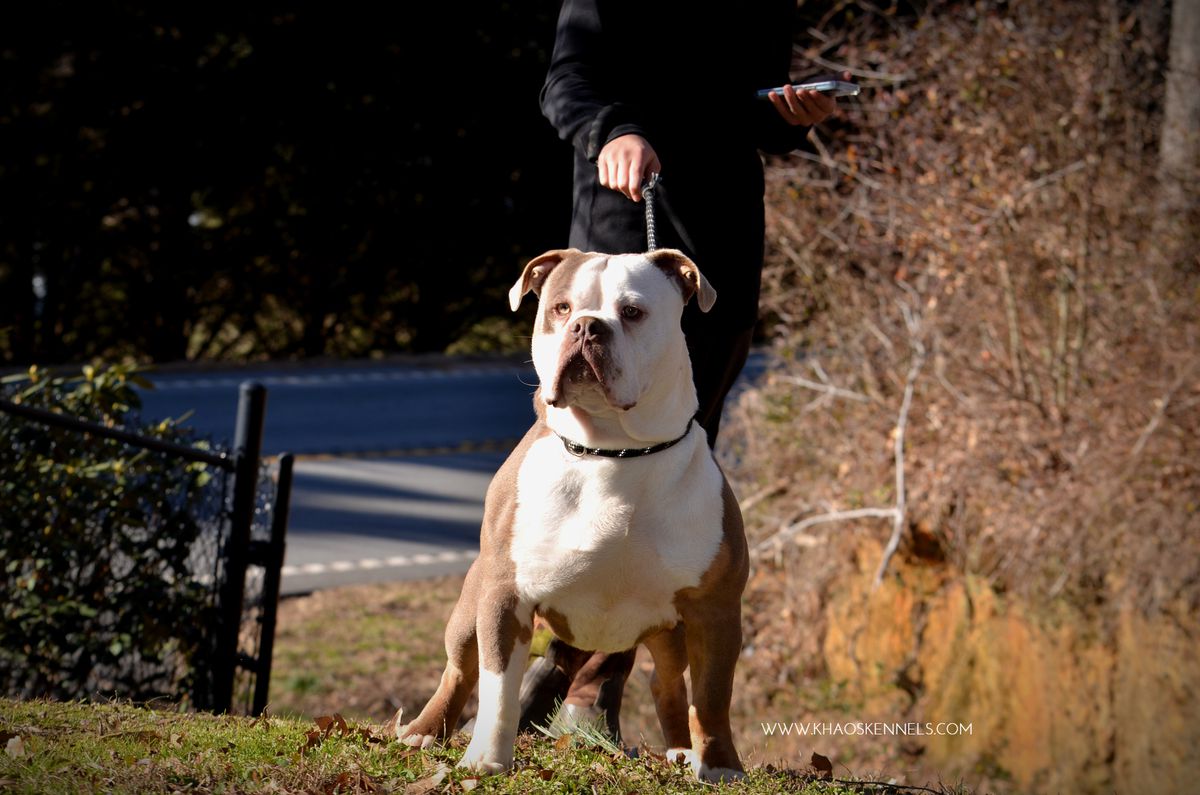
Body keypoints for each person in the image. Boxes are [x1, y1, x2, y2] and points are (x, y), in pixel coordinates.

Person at [519, 0, 841, 738]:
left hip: (721, 242)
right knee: (578, 448)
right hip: (619, 229)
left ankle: (580, 680)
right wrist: (615, 130)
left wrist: (791, 113)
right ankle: (558, 660)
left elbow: (747, 108)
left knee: (675, 457)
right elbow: (566, 81)